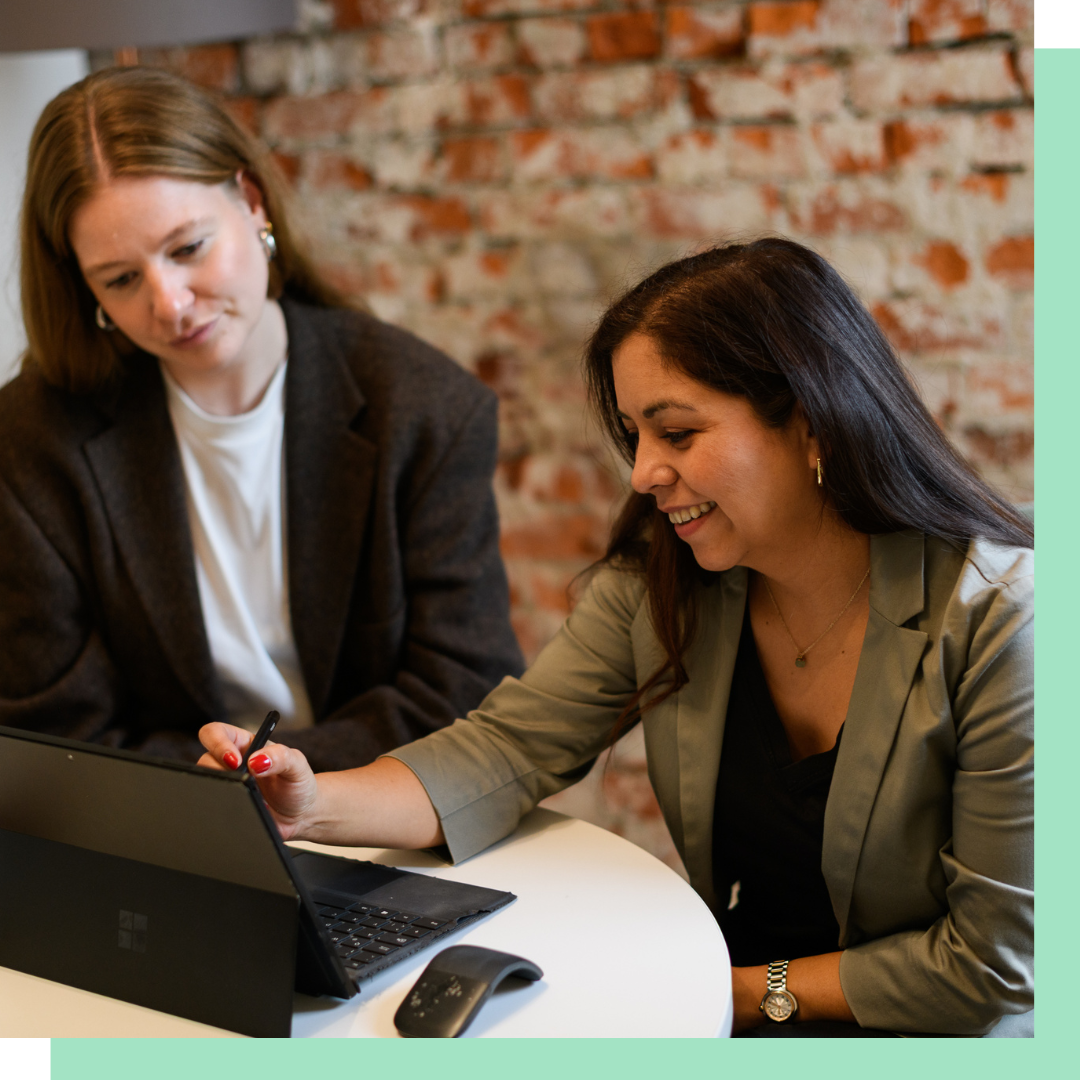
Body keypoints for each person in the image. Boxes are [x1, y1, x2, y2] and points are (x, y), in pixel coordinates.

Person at [197, 238, 1034, 1036]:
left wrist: (737, 996)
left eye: (678, 434)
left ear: (812, 420)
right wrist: (312, 803)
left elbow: (989, 967)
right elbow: (505, 749)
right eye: (636, 435)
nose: (642, 474)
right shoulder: (665, 582)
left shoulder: (1002, 619)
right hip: (731, 997)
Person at [0, 66, 524, 771]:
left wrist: (266, 774)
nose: (170, 304)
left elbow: (465, 693)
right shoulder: (31, 440)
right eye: (121, 279)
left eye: (188, 248)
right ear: (83, 286)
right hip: (159, 821)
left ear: (251, 203)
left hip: (382, 811)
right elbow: (54, 733)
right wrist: (210, 792)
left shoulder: (424, 408)